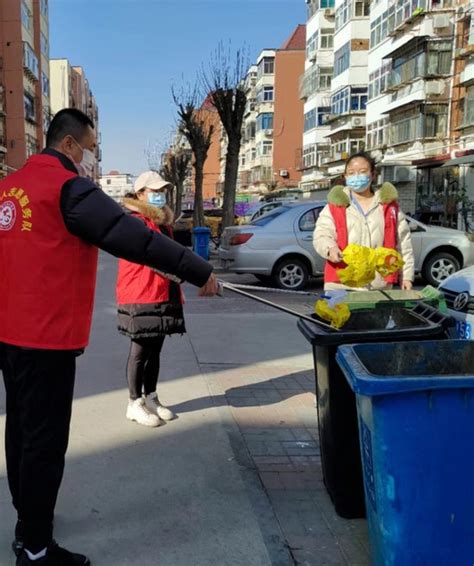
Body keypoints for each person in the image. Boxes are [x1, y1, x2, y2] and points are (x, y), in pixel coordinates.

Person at [0, 108, 217, 566]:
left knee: (20, 431)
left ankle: (27, 525)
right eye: (89, 150)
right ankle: (36, 550)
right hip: (46, 338)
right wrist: (197, 270)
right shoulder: (68, 188)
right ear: (70, 145)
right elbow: (132, 236)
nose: (88, 161)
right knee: (43, 442)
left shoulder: (8, 189)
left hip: (9, 334)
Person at [117, 172, 184, 427]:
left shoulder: (163, 223)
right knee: (140, 350)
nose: (160, 195)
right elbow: (154, 257)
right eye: (154, 191)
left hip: (163, 292)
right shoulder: (135, 222)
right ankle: (134, 403)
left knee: (155, 349)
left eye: (162, 190)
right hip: (140, 292)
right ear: (140, 193)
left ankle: (151, 396)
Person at [314, 152, 414, 291]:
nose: (357, 176)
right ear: (345, 176)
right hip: (341, 283)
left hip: (378, 285)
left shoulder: (389, 207)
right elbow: (322, 234)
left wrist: (407, 276)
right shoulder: (335, 206)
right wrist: (330, 248)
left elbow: (403, 243)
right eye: (351, 172)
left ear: (373, 175)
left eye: (362, 172)